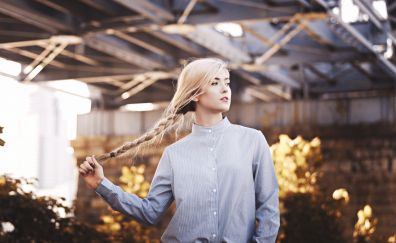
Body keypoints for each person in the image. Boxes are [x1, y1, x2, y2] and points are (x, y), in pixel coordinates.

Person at [78, 57, 280, 243]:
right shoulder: (174, 154)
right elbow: (150, 213)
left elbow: (269, 209)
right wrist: (101, 184)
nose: (225, 89)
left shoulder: (253, 141)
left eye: (226, 82)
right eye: (214, 82)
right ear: (195, 94)